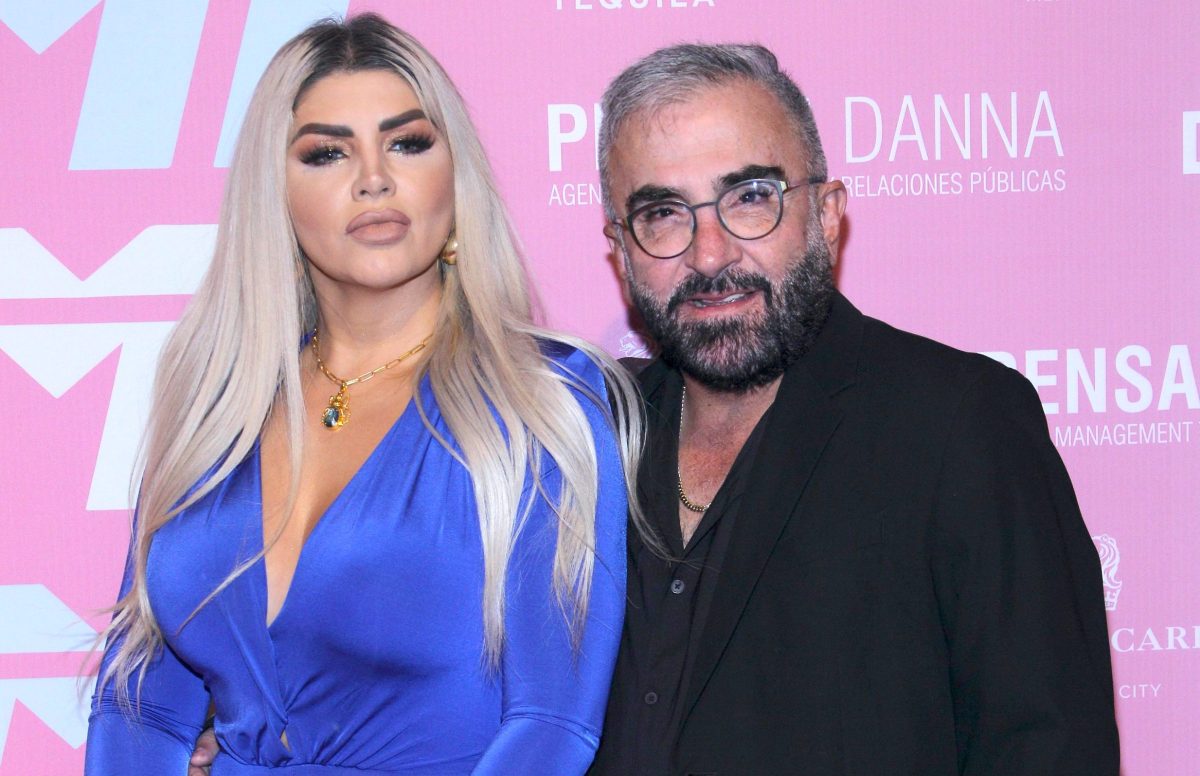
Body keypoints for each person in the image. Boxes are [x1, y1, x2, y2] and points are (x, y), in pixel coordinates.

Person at [85, 14, 643, 775]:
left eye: (407, 143)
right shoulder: (215, 408)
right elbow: (139, 702)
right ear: (274, 193)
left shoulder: (543, 404)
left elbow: (551, 727)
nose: (374, 177)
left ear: (454, 174)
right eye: (327, 153)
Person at [586, 44, 1121, 775]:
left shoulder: (959, 423)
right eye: (662, 213)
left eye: (750, 197)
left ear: (827, 213)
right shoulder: (588, 438)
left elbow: (1048, 749)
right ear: (621, 250)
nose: (709, 255)